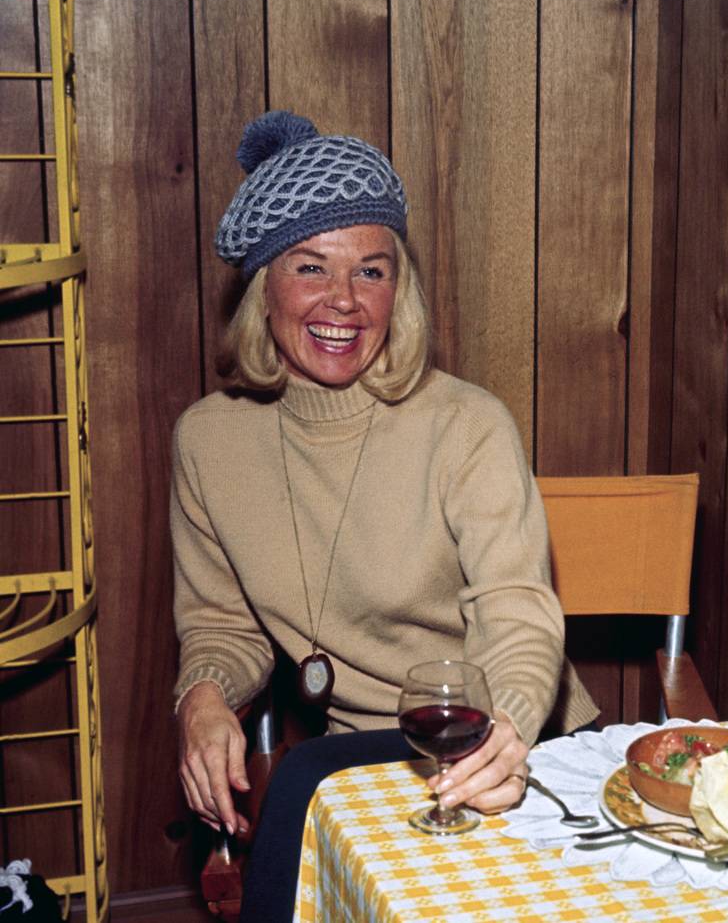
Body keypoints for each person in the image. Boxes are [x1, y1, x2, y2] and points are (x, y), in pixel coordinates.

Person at [172, 110, 599, 919]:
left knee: (300, 779)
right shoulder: (207, 442)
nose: (344, 301)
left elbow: (516, 610)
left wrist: (504, 731)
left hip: (507, 740)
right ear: (263, 285)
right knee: (308, 780)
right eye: (310, 267)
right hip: (364, 761)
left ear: (399, 290)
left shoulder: (466, 424)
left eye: (372, 271)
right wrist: (202, 697)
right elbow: (220, 625)